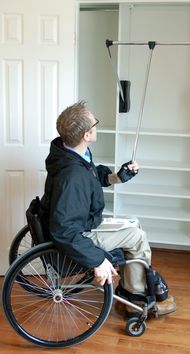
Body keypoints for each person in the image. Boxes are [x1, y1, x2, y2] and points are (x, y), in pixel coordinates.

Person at [40, 101, 176, 317]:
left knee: (134, 223)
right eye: (95, 123)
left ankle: (131, 287)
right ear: (86, 134)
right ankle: (135, 301)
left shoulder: (71, 152)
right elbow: (64, 230)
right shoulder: (72, 177)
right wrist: (97, 259)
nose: (97, 125)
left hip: (85, 222)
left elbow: (93, 176)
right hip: (81, 234)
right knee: (137, 236)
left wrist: (118, 177)